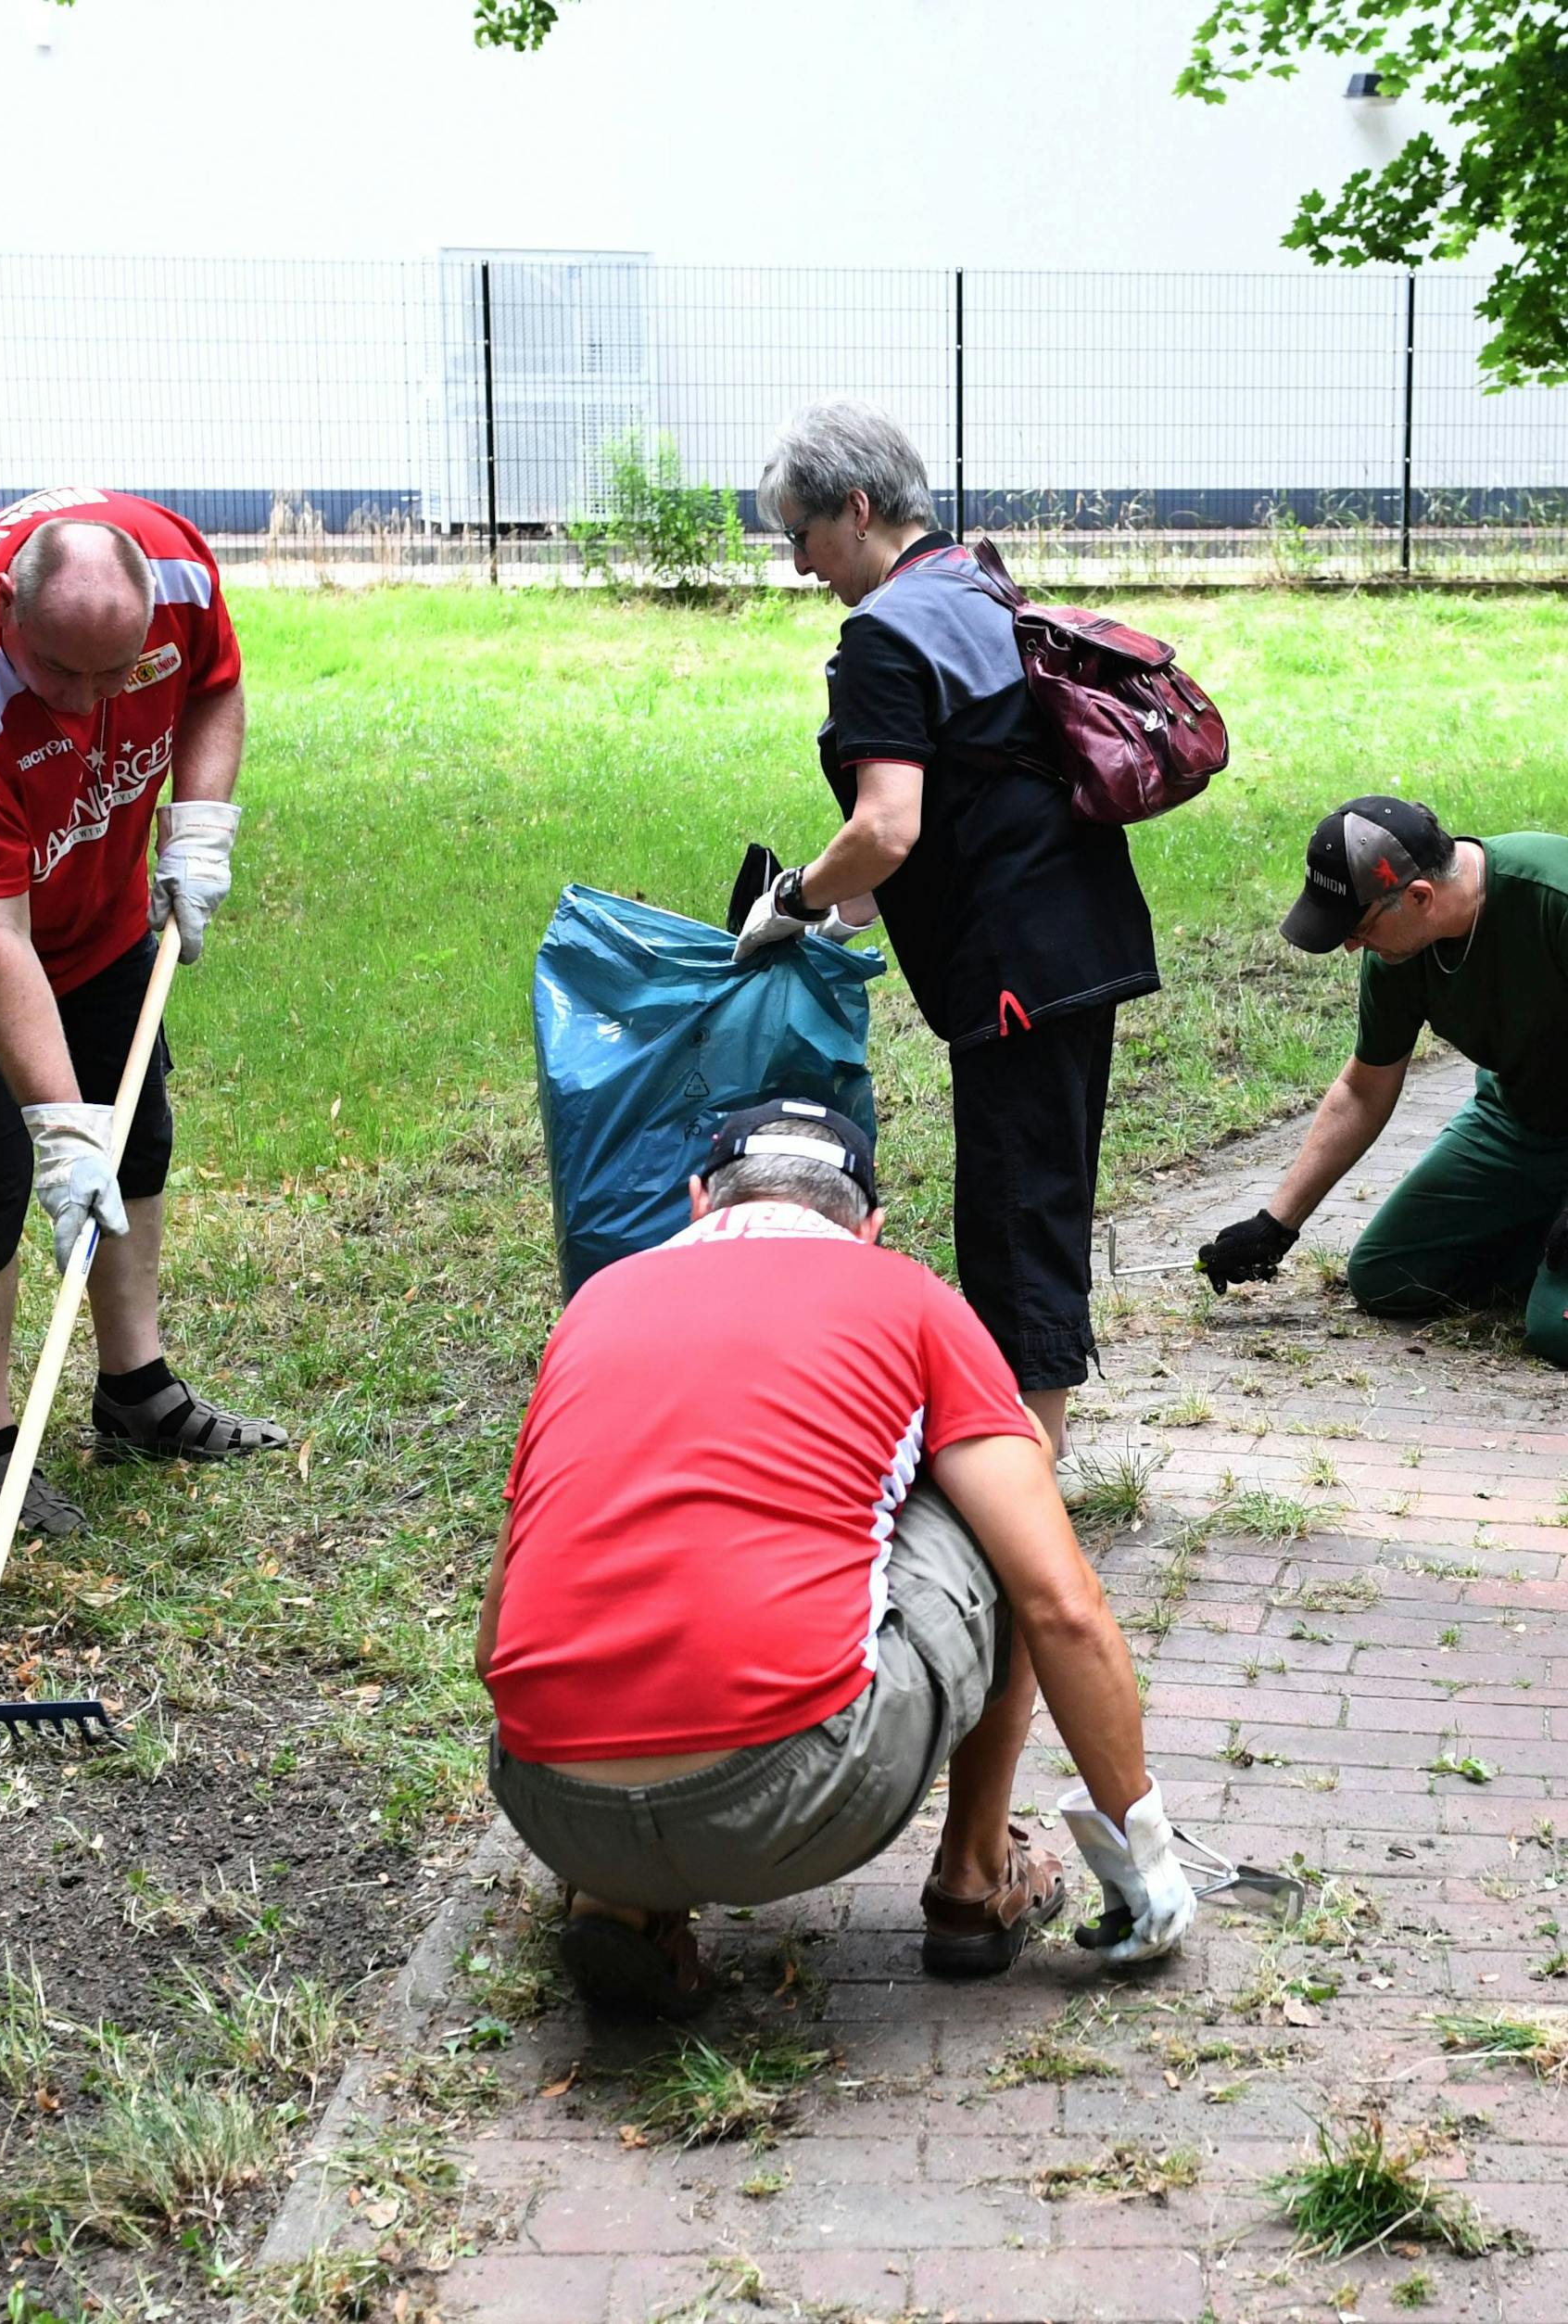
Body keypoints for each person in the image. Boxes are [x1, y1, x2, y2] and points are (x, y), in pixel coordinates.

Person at [475, 1098, 1195, 2018]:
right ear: (868, 1228)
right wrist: (1144, 1862)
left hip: (549, 1802)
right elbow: (1061, 1603)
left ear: (698, 1202)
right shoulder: (910, 1297)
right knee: (1010, 1489)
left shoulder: (592, 1307)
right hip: (791, 1800)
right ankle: (976, 1879)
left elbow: (491, 1636)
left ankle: (623, 1894)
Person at [0, 488, 285, 1538]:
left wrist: (200, 826)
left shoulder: (171, 573)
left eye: (113, 674)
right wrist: (53, 1122)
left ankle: (136, 1390)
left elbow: (214, 686)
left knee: (137, 1133)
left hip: (96, 889)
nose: (86, 703)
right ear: (6, 613)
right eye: (58, 674)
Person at [733, 400, 1161, 1458]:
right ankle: (1029, 1445)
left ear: (859, 509)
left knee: (1016, 1212)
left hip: (1017, 961)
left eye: (799, 534)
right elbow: (957, 796)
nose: (796, 565)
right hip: (1075, 937)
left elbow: (885, 824)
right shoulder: (976, 582)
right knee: (1036, 1192)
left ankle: (1030, 1473)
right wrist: (838, 914)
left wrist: (787, 900)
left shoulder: (881, 629)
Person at [1197, 795, 1568, 1366]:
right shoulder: (1399, 950)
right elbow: (1363, 1089)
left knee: (1555, 1333)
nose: (1350, 944)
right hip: (1517, 1121)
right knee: (1386, 1276)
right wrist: (1276, 1223)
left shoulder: (1554, 898)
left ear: (1419, 897)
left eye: (1359, 927)